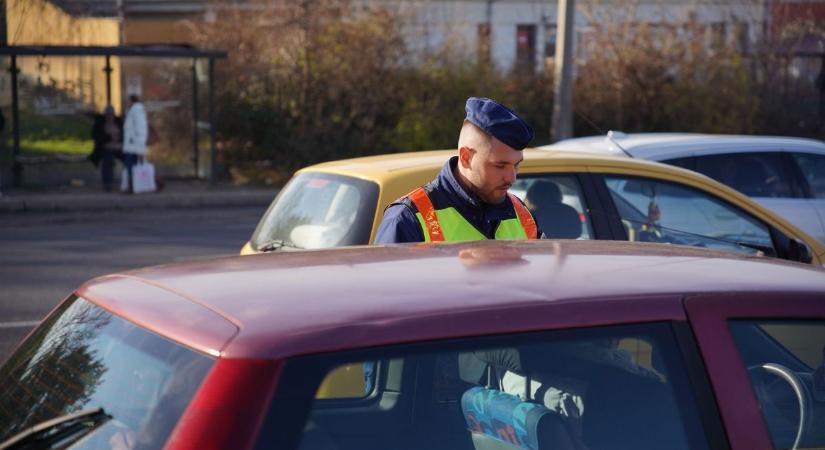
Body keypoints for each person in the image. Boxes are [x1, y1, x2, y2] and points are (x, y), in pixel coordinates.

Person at [375, 97, 542, 243]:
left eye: (516, 165)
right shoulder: (407, 220)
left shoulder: (521, 215)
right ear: (466, 157)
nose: (511, 177)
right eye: (499, 166)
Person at [90, 105, 123, 192]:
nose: (110, 117)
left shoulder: (119, 122)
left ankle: (131, 181)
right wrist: (109, 137)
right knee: (107, 159)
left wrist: (119, 139)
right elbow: (97, 138)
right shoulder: (100, 124)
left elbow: (124, 135)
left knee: (130, 157)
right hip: (106, 148)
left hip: (119, 147)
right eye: (108, 115)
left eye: (111, 115)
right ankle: (108, 184)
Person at [121, 95, 148, 193]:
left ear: (131, 101)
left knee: (131, 166)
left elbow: (140, 128)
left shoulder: (136, 111)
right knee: (131, 166)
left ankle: (132, 186)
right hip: (133, 144)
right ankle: (132, 185)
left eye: (127, 101)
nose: (126, 103)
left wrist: (140, 146)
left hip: (133, 145)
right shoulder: (134, 111)